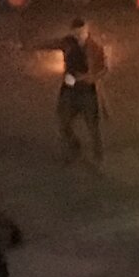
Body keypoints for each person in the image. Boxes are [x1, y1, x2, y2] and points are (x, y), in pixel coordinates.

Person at [47, 16, 106, 165]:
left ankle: (97, 154)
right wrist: (31, 46)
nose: (78, 35)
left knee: (92, 125)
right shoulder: (68, 43)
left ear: (86, 31)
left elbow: (103, 68)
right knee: (64, 121)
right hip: (69, 89)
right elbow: (51, 43)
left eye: (80, 32)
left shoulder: (95, 48)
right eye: (75, 32)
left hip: (87, 90)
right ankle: (74, 149)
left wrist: (89, 77)